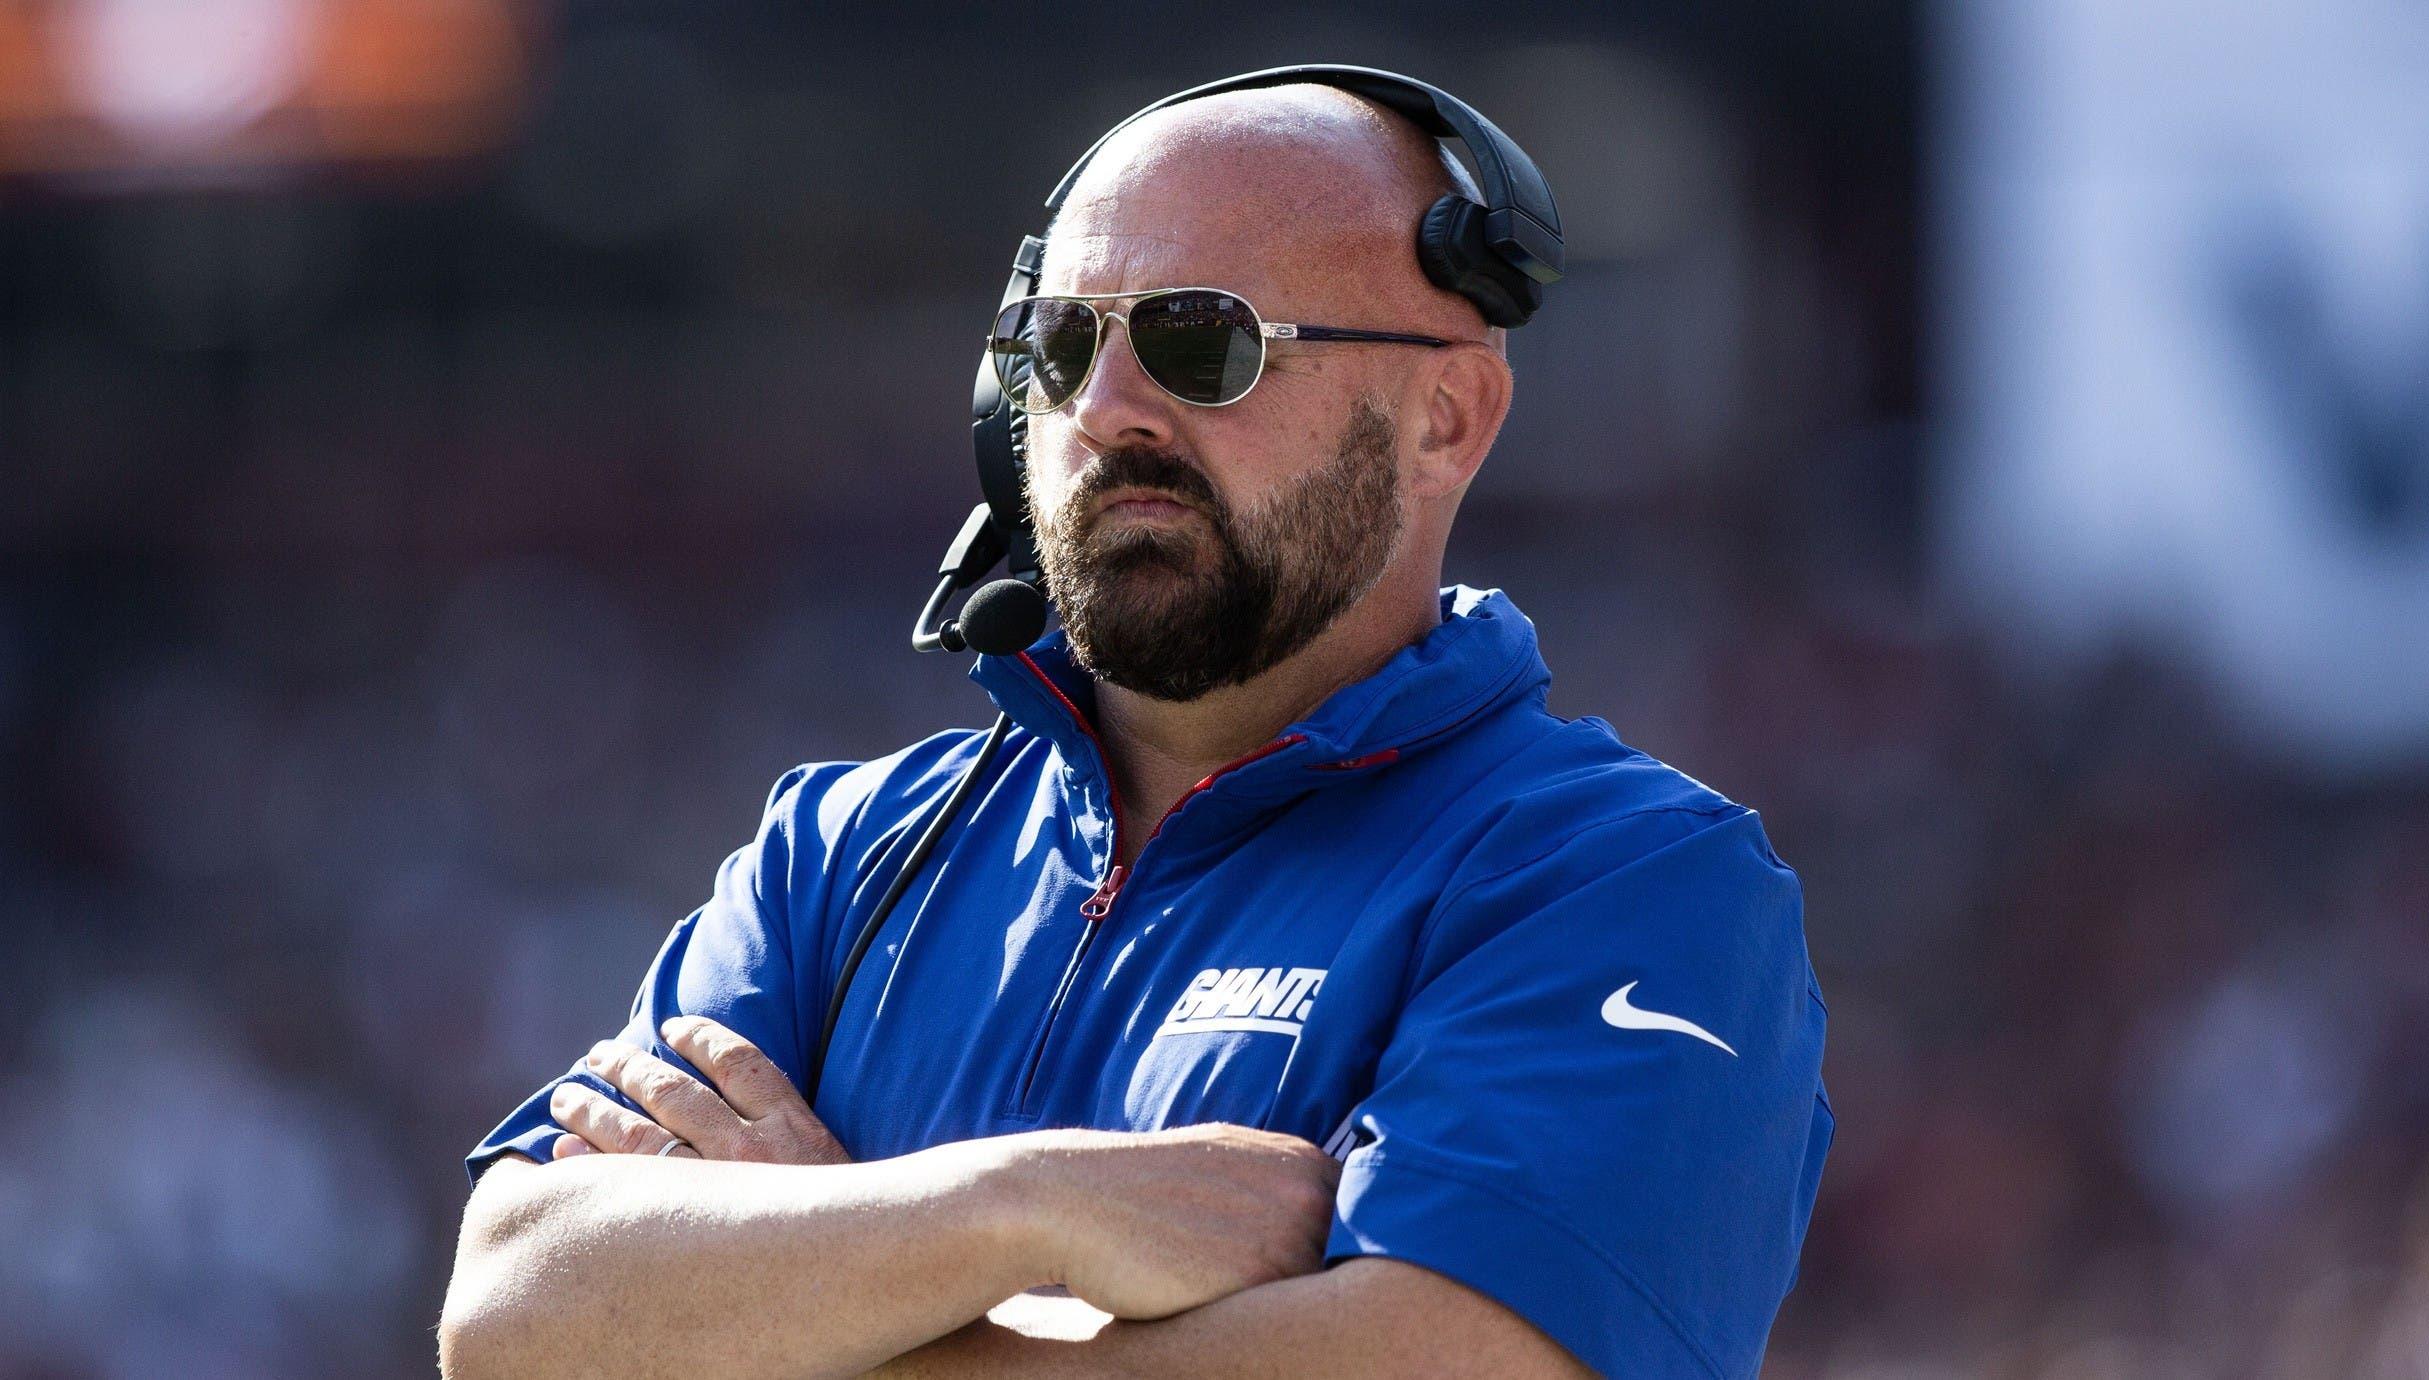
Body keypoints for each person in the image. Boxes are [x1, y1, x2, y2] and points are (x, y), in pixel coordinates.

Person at [439, 77, 1832, 1380]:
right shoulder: (844, 852)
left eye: (1198, 340)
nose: (1103, 411)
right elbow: (513, 1310)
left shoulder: (1627, 881)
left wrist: (814, 1287)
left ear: (1445, 418)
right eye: (1054, 346)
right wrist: (1030, 1204)